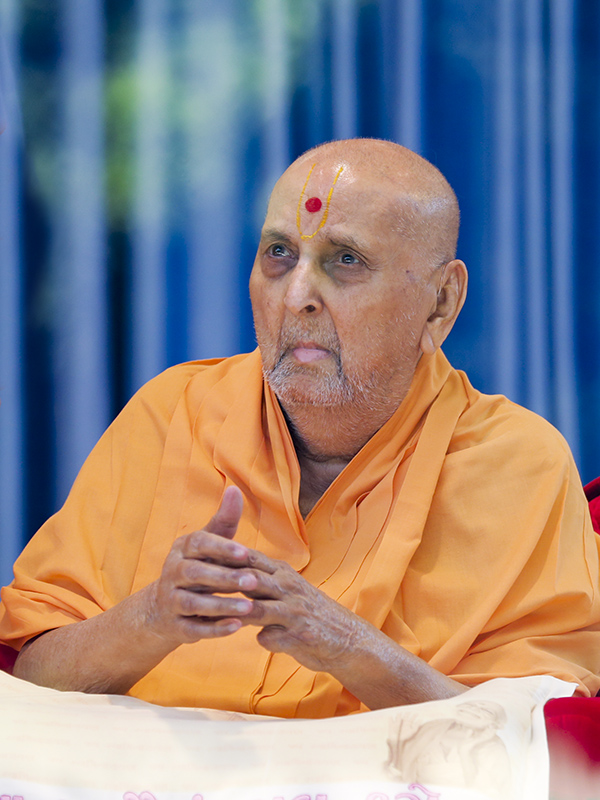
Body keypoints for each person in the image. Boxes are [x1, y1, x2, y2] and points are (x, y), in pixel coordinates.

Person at [1, 139, 599, 718]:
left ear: (441, 302)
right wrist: (152, 617)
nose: (297, 297)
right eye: (279, 254)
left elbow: (541, 738)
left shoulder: (517, 465)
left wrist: (350, 648)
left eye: (346, 260)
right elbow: (31, 676)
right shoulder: (172, 412)